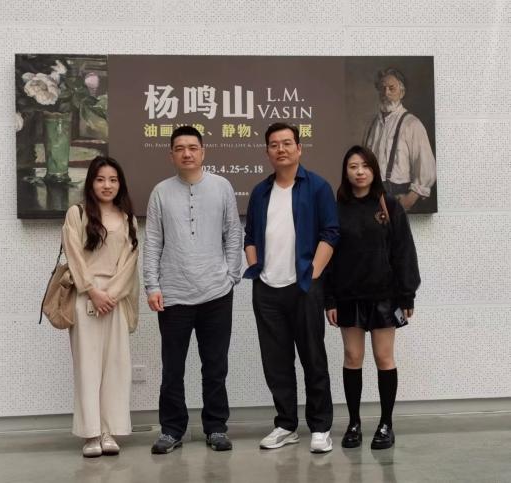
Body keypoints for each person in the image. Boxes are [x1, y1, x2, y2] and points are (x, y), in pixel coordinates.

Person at [143, 125, 243, 454]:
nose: (187, 153)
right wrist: (152, 285)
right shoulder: (160, 192)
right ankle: (172, 430)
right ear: (171, 155)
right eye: (180, 148)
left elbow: (233, 232)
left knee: (215, 366)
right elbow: (153, 241)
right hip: (173, 295)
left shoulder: (222, 186)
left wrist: (231, 275)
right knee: (173, 368)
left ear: (203, 152)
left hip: (216, 293)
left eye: (192, 147)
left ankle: (216, 427)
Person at [244, 122, 339, 453]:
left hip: (304, 287)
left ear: (299, 148)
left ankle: (320, 427)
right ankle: (286, 425)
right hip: (267, 289)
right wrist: (256, 268)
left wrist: (312, 274)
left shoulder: (318, 187)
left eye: (287, 143)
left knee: (313, 358)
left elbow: (330, 233)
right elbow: (250, 235)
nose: (281, 149)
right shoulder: (260, 192)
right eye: (274, 144)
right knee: (276, 362)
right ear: (267, 151)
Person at [325, 145, 420, 450]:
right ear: (346, 171)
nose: (360, 172)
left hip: (384, 296)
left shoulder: (389, 205)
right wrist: (330, 299)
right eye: (353, 166)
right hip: (348, 296)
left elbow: (404, 251)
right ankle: (353, 423)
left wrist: (407, 296)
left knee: (383, 358)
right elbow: (328, 257)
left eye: (365, 166)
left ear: (374, 170)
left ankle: (386, 424)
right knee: (352, 357)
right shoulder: (336, 208)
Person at [62, 156, 140, 457]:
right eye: (100, 179)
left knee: (116, 368)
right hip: (85, 299)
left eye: (113, 180)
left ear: (120, 184)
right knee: (88, 367)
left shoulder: (128, 219)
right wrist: (92, 291)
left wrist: (111, 295)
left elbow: (129, 264)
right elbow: (74, 256)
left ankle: (109, 431)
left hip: (115, 301)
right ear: (91, 182)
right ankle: (91, 434)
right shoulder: (77, 213)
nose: (107, 185)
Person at [364, 67, 437, 212]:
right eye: (382, 88)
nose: (386, 93)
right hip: (372, 197)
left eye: (391, 88)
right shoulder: (371, 125)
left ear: (402, 92)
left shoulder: (412, 124)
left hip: (401, 198)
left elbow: (426, 167)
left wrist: (409, 199)